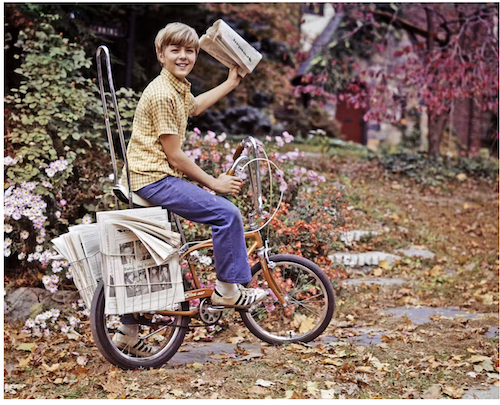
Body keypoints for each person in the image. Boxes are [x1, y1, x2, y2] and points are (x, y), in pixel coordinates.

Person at [113, 22, 266, 356]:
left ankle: (127, 331)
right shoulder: (164, 93)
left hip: (143, 176)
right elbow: (175, 154)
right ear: (161, 53)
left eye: (190, 50)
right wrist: (214, 183)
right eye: (175, 49)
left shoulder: (175, 86)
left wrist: (229, 82)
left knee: (146, 257)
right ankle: (227, 289)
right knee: (226, 214)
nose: (183, 56)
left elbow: (193, 107)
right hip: (153, 178)